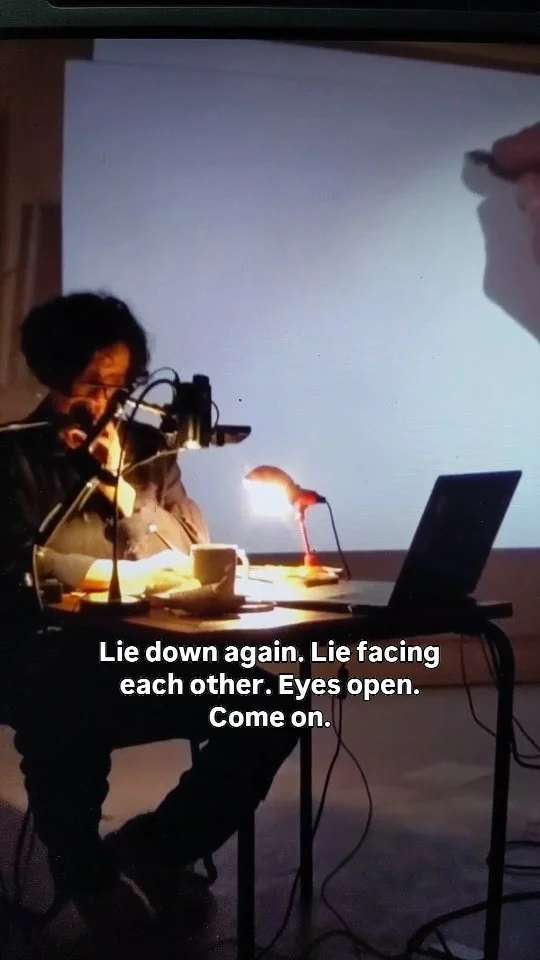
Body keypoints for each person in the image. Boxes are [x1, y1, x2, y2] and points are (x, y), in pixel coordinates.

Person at [0, 292, 299, 930]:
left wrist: (124, 493)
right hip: (41, 661)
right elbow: (16, 570)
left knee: (272, 705)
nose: (108, 399)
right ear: (55, 371)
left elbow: (189, 547)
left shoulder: (144, 446)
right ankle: (85, 875)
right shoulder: (13, 455)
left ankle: (156, 848)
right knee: (65, 702)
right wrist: (99, 570)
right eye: (93, 382)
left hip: (140, 657)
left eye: (122, 384)